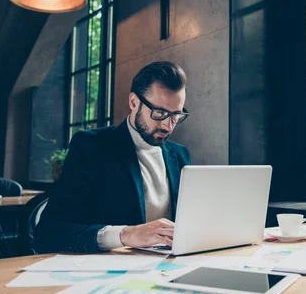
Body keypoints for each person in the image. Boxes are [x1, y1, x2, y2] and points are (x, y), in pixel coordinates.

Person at [35, 61, 191, 253]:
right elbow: (49, 232)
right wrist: (126, 234)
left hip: (169, 269)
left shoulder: (180, 155)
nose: (168, 125)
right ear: (134, 103)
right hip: (111, 272)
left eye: (176, 115)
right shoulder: (91, 147)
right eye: (160, 113)